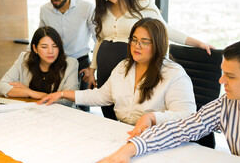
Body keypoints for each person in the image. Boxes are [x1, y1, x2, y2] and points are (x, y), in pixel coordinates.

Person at [87, 39, 240, 163]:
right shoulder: (225, 105)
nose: (220, 81)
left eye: (230, 76)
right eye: (222, 72)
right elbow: (179, 129)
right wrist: (130, 149)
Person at [81, 0, 213, 119]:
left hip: (133, 74)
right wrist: (93, 68)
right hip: (107, 75)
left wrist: (197, 43)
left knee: (132, 118)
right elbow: (100, 39)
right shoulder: (104, 9)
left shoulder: (141, 4)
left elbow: (165, 30)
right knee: (110, 120)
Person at [37, 18, 196, 129]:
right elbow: (99, 96)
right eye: (134, 39)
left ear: (158, 45)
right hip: (122, 132)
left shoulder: (174, 74)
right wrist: (62, 94)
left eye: (144, 42)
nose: (136, 46)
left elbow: (187, 116)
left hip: (157, 137)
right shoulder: (124, 67)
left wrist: (153, 118)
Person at [39, 0, 96, 110]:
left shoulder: (87, 8)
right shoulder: (44, 10)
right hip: (55, 64)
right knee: (55, 106)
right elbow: (40, 39)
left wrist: (92, 68)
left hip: (81, 64)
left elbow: (100, 40)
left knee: (82, 108)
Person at [0, 26, 78, 106]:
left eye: (54, 46)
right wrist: (30, 92)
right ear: (35, 48)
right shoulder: (24, 58)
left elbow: (68, 100)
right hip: (30, 111)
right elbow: (1, 86)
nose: (50, 51)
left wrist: (27, 91)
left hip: (58, 114)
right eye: (44, 47)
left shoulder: (71, 64)